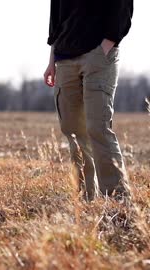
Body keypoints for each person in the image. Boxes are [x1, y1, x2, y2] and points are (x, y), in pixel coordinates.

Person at [43, 0, 133, 201]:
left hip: (98, 55)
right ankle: (86, 196)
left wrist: (107, 44)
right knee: (74, 130)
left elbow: (123, 7)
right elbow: (56, 18)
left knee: (98, 126)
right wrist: (52, 60)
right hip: (64, 58)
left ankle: (117, 199)